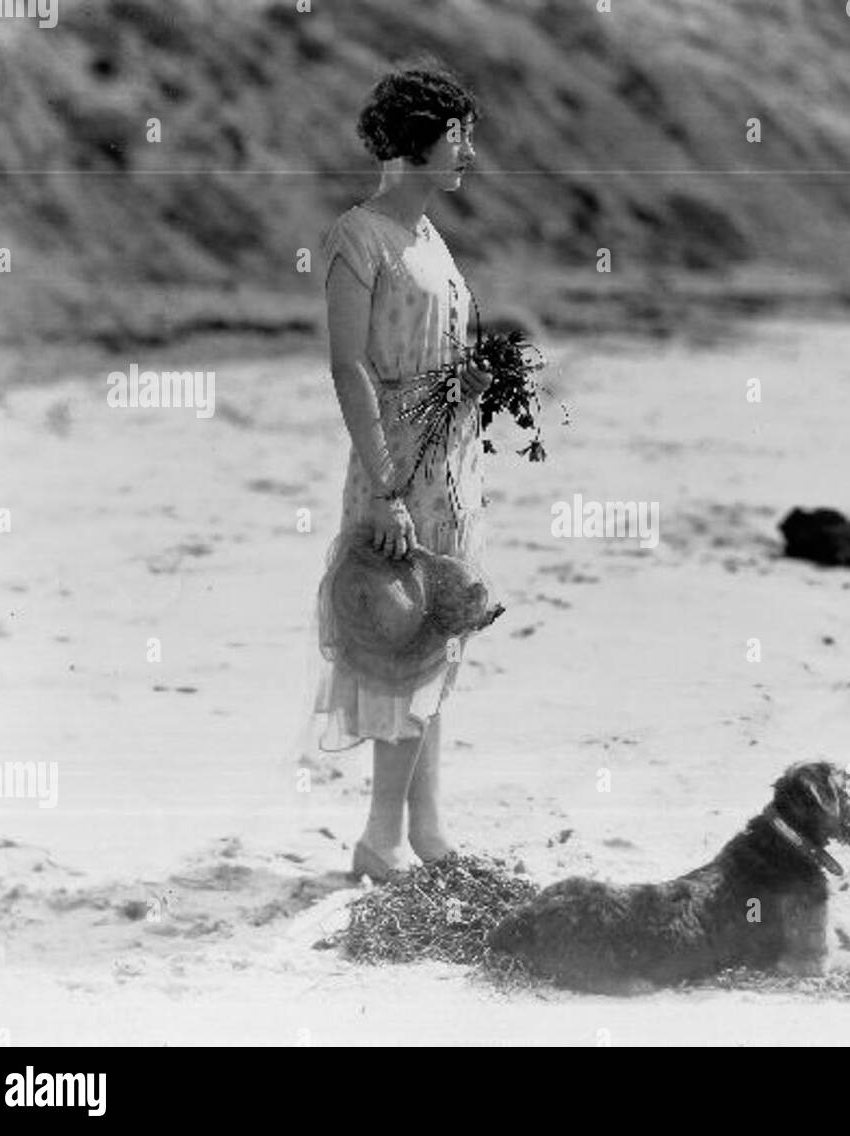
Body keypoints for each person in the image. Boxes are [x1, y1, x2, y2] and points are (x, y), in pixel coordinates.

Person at [314, 59, 491, 879]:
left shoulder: (430, 238)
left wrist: (474, 382)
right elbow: (349, 367)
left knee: (439, 645)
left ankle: (426, 828)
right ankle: (379, 839)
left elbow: (432, 347)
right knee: (399, 643)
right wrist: (385, 490)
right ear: (420, 143)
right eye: (458, 139)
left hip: (448, 466)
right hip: (396, 469)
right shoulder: (361, 235)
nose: (468, 155)